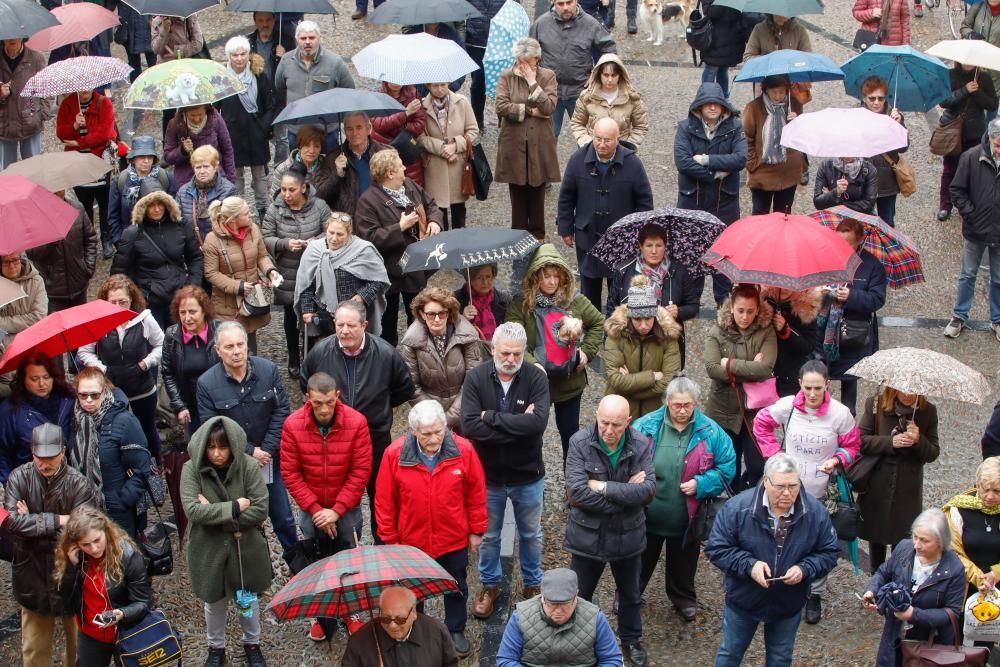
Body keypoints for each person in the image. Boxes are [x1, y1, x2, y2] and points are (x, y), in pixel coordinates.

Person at [706, 452, 840, 667]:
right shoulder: (738, 508)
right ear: (766, 481)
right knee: (730, 654)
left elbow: (830, 552)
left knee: (780, 658)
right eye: (780, 487)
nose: (787, 493)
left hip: (788, 602)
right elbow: (717, 548)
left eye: (793, 486)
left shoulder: (815, 513)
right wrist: (750, 565)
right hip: (744, 598)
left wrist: (805, 569)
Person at [376, 400, 487, 656]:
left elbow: (476, 492)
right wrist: (391, 541)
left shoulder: (464, 450)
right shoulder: (394, 454)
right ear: (414, 431)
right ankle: (418, 629)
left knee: (457, 585)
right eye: (426, 434)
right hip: (411, 541)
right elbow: (384, 501)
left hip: (453, 537)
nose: (434, 438)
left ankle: (455, 629)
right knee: (413, 590)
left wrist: (476, 530)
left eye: (439, 431)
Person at [753, 360, 861, 623]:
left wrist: (836, 460)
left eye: (818, 388)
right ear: (800, 384)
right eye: (808, 387)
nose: (812, 394)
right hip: (788, 491)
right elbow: (760, 424)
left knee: (820, 543)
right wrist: (775, 457)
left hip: (824, 493)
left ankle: (814, 594)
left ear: (827, 385)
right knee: (781, 537)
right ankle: (781, 585)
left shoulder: (840, 414)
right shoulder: (788, 405)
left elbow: (852, 445)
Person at [300, 300, 415, 541]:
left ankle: (383, 547)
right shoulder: (320, 352)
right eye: (339, 325)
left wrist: (381, 407)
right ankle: (341, 548)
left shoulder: (385, 353)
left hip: (375, 439)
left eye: (351, 325)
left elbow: (404, 389)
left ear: (364, 325)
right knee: (339, 499)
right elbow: (306, 383)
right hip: (335, 441)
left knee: (381, 498)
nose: (344, 331)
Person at [461, 322, 550, 618]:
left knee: (532, 534)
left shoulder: (536, 377)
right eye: (506, 353)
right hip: (488, 476)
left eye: (517, 353)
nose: (511, 359)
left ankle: (533, 584)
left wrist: (493, 419)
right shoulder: (475, 377)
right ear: (492, 349)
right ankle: (490, 585)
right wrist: (516, 425)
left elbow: (537, 425)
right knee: (488, 536)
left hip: (528, 475)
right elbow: (470, 426)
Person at [633, 376, 736, 622]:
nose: (681, 410)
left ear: (696, 403)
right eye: (676, 405)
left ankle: (683, 598)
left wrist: (702, 484)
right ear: (667, 402)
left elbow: (727, 467)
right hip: (647, 515)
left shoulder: (711, 431)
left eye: (687, 405)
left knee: (684, 564)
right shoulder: (645, 425)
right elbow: (627, 458)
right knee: (638, 561)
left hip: (687, 517)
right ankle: (628, 594)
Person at [280, 371, 372, 642]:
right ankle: (323, 614)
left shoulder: (357, 423)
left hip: (346, 509)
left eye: (329, 402)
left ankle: (352, 611)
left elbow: (361, 471)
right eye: (317, 403)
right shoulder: (292, 425)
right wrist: (316, 509)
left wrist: (337, 509)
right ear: (307, 399)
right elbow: (291, 473)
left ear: (337, 397)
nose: (323, 409)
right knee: (316, 563)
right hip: (313, 510)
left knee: (349, 560)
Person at [564, 394, 654, 666]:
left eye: (616, 425)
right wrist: (628, 493)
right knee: (581, 594)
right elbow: (577, 494)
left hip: (628, 536)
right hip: (587, 536)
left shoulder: (639, 442)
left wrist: (604, 488)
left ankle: (631, 638)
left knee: (630, 594)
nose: (609, 431)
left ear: (628, 422)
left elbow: (648, 491)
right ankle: (580, 639)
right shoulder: (579, 442)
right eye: (604, 423)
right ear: (596, 417)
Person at [195, 322, 296, 557]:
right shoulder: (206, 384)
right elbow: (212, 428)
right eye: (229, 347)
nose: (237, 351)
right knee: (241, 520)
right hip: (235, 466)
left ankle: (295, 561)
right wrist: (250, 452)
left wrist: (267, 450)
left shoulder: (268, 370)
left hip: (270, 461)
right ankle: (250, 568)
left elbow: (281, 412)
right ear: (218, 350)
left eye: (240, 344)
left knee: (283, 516)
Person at [4, 423, 100, 667]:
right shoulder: (18, 477)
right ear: (32, 453)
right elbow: (12, 524)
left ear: (63, 452)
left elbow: (82, 530)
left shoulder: (79, 484)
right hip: (32, 576)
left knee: (79, 649)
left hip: (71, 576)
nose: (45, 464)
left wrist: (31, 522)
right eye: (39, 458)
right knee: (35, 651)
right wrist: (59, 520)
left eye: (51, 458)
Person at [182, 416, 271, 667]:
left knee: (249, 600)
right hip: (209, 551)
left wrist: (215, 513)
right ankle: (215, 648)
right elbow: (193, 510)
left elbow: (260, 509)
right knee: (213, 603)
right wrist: (234, 508)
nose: (217, 454)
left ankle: (252, 644)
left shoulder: (249, 466)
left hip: (245, 550)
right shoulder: (191, 469)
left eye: (223, 447)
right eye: (211, 447)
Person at [506, 244, 605, 460]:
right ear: (535, 277)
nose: (552, 281)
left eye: (556, 276)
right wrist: (533, 364)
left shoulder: (574, 300)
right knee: (532, 436)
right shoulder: (521, 305)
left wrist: (587, 352)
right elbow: (512, 337)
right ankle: (533, 487)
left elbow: (597, 322)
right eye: (546, 276)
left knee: (570, 435)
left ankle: (573, 486)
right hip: (534, 383)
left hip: (569, 381)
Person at [558, 117, 653, 310]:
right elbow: (566, 197)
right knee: (588, 290)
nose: (601, 144)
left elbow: (644, 203)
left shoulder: (633, 163)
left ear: (618, 139)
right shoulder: (578, 160)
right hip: (587, 237)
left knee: (618, 289)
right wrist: (565, 228)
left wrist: (639, 235)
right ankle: (590, 330)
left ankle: (615, 331)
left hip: (620, 241)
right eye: (597, 138)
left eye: (607, 140)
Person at [354, 148, 443, 345]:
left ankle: (419, 354)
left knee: (420, 320)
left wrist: (435, 221)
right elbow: (368, 239)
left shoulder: (409, 185)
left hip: (416, 267)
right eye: (400, 165)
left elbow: (432, 205)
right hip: (389, 274)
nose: (405, 167)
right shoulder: (368, 201)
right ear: (389, 173)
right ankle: (389, 361)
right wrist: (399, 227)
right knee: (388, 326)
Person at [862, 509, 966, 667]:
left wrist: (914, 614)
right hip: (894, 636)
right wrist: (872, 591)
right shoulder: (904, 548)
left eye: (925, 540)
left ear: (940, 541)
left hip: (928, 645)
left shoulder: (955, 569)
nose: (916, 544)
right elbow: (884, 572)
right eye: (915, 537)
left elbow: (951, 612)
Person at [675, 82, 748, 304]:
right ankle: (690, 304)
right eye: (708, 104)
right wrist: (716, 174)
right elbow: (683, 162)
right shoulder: (685, 127)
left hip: (724, 204)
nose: (713, 108)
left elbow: (740, 158)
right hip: (692, 204)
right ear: (700, 106)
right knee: (692, 259)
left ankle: (724, 305)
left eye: (717, 103)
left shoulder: (735, 127)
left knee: (723, 259)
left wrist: (707, 160)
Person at [78, 275, 165, 461]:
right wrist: (103, 369)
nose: (117, 307)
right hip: (111, 389)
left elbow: (162, 345)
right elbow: (84, 352)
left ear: (132, 300)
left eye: (122, 302)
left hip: (142, 387)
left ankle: (156, 466)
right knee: (113, 430)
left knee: (147, 428)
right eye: (113, 302)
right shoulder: (98, 322)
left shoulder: (144, 319)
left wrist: (145, 364)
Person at [54, 506, 152, 666]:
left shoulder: (127, 555)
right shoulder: (76, 558)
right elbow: (65, 602)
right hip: (90, 635)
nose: (93, 549)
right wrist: (71, 568)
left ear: (106, 531)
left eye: (97, 540)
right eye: (86, 545)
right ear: (76, 544)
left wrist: (121, 613)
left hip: (125, 633)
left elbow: (143, 602)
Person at [857, 387, 940, 573]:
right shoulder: (875, 404)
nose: (909, 395)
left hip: (907, 489)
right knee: (876, 539)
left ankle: (896, 587)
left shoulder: (928, 411)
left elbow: (933, 453)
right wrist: (890, 442)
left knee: (902, 543)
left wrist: (919, 440)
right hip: (878, 484)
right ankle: (875, 584)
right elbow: (860, 440)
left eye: (914, 391)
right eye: (904, 391)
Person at [161, 285, 219, 542]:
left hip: (215, 403)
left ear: (204, 311)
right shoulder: (172, 335)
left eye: (192, 311)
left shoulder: (218, 331)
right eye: (182, 312)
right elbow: (168, 372)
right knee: (195, 453)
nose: (187, 318)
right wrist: (179, 405)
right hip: (189, 406)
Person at [704, 283, 777, 488]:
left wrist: (729, 364)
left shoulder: (766, 330)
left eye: (750, 312)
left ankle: (755, 508)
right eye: (740, 311)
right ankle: (731, 510)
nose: (745, 317)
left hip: (754, 412)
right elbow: (711, 368)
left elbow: (765, 368)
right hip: (723, 409)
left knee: (757, 465)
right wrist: (751, 368)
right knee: (729, 467)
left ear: (758, 311)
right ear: (731, 308)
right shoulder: (717, 330)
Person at [262, 164, 330, 377]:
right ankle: (293, 357)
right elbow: (265, 237)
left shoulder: (319, 206)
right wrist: (284, 244)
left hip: (314, 270)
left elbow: (331, 231)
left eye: (291, 189)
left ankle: (310, 355)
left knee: (312, 314)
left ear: (303, 188)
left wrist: (315, 242)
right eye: (283, 189)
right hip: (288, 269)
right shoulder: (275, 209)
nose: (287, 194)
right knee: (291, 316)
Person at [815, 218, 887, 413]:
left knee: (849, 381)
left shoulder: (872, 266)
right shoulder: (825, 258)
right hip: (824, 331)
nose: (842, 248)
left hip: (853, 334)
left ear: (860, 240)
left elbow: (877, 299)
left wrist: (852, 296)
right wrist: (818, 291)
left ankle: (848, 424)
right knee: (820, 378)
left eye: (848, 244)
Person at [70, 368, 151, 539]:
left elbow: (142, 466)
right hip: (84, 508)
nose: (88, 400)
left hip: (117, 512)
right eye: (83, 395)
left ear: (105, 392)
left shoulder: (124, 421)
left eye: (95, 395)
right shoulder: (75, 421)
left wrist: (123, 500)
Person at [606, 224, 702, 366]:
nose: (654, 251)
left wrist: (679, 311)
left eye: (659, 245)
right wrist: (610, 348)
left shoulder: (678, 271)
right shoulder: (624, 271)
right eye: (649, 245)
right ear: (640, 246)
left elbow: (693, 306)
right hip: (631, 341)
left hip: (666, 342)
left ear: (665, 246)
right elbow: (611, 308)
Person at [494, 38, 561, 240]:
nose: (523, 66)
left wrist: (533, 83)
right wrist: (531, 111)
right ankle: (518, 236)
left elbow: (549, 107)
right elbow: (501, 106)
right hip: (513, 142)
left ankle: (538, 234)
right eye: (520, 61)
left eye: (529, 62)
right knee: (517, 188)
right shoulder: (506, 76)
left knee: (538, 187)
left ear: (537, 60)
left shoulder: (547, 76)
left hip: (539, 141)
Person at [112, 190, 203, 330]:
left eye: (160, 204)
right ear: (143, 207)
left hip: (179, 296)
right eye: (151, 205)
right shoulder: (133, 233)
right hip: (150, 300)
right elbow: (120, 271)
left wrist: (192, 285)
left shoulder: (182, 226)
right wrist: (138, 296)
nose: (156, 209)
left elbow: (195, 257)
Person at [496, 567, 623, 667]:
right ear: (542, 597)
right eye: (552, 604)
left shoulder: (595, 618)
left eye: (565, 604)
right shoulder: (520, 617)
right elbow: (505, 660)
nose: (558, 611)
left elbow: (612, 659)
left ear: (576, 596)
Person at [399, 288, 486, 433]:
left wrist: (449, 419)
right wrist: (435, 417)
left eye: (442, 313)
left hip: (465, 411)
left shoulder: (468, 336)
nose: (437, 319)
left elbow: (473, 381)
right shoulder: (411, 343)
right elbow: (412, 387)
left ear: (449, 313)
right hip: (428, 418)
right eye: (431, 314)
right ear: (422, 314)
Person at [945, 118, 1000, 342]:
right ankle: (959, 317)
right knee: (968, 275)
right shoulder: (971, 157)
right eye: (998, 145)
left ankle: (997, 319)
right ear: (990, 138)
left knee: (998, 278)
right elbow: (956, 190)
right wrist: (971, 214)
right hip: (975, 229)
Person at [202, 197, 282, 352]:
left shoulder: (254, 230)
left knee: (250, 345)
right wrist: (237, 286)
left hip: (251, 301)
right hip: (226, 305)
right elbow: (211, 273)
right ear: (233, 219)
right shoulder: (212, 240)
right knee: (230, 345)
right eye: (246, 213)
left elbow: (262, 256)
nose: (250, 215)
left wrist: (270, 271)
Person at [294, 211, 390, 338]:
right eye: (331, 233)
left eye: (340, 234)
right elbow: (306, 283)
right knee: (324, 350)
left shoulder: (363, 249)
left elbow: (378, 279)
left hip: (354, 312)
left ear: (349, 233)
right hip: (323, 312)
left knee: (354, 347)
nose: (334, 238)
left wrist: (362, 295)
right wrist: (307, 309)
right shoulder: (314, 250)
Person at [530, 0, 616, 138]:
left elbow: (609, 49)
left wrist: (598, 73)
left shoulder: (591, 23)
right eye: (560, 4)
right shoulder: (541, 24)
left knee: (586, 138)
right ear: (553, 2)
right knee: (547, 138)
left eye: (569, 2)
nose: (565, 7)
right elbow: (530, 53)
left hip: (581, 91)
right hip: (550, 92)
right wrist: (534, 73)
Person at [602, 275, 682, 421]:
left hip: (655, 416)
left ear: (655, 316)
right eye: (638, 319)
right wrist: (653, 376)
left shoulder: (668, 337)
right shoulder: (616, 334)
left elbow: (668, 382)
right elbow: (615, 380)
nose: (644, 325)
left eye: (648, 319)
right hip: (620, 415)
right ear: (630, 317)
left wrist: (628, 387)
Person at [274, 21, 355, 154]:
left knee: (329, 171)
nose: (307, 42)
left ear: (319, 38)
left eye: (311, 38)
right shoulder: (286, 61)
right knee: (298, 172)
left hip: (327, 133)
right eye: (303, 38)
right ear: (297, 40)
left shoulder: (335, 63)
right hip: (296, 132)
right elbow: (279, 87)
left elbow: (349, 91)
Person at [55, 88, 117, 256]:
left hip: (99, 161)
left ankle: (106, 239)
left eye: (88, 87)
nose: (85, 90)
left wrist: (80, 143)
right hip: (77, 164)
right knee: (84, 204)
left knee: (105, 203)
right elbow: (61, 134)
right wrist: (74, 125)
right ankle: (89, 241)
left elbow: (105, 133)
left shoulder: (104, 103)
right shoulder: (68, 104)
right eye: (81, 87)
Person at [219, 36, 276, 217]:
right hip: (233, 134)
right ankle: (238, 209)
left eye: (243, 54)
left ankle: (262, 208)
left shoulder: (258, 75)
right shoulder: (221, 78)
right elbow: (215, 108)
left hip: (255, 133)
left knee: (260, 175)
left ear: (248, 54)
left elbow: (270, 105)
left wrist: (263, 127)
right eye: (235, 55)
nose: (239, 58)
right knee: (235, 175)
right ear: (229, 56)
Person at [0, 354, 75, 485]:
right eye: (34, 379)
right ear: (23, 380)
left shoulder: (68, 399)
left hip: (69, 479)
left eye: (46, 377)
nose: (42, 383)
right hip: (29, 483)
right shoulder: (10, 410)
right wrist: (10, 484)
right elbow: (3, 453)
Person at [341, 586, 458, 667]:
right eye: (386, 618)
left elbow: (450, 663)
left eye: (400, 619)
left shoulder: (436, 631)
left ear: (413, 613)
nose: (392, 626)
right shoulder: (359, 642)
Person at [938, 63, 997, 222]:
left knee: (974, 170)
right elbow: (943, 101)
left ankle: (970, 205)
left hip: (975, 131)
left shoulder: (983, 77)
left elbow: (992, 105)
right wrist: (965, 90)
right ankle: (945, 205)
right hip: (952, 130)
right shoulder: (950, 75)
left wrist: (976, 91)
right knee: (950, 169)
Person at [419, 82, 479, 230]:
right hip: (435, 167)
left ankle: (461, 244)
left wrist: (456, 145)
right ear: (428, 86)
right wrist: (441, 149)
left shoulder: (462, 102)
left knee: (459, 210)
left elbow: (473, 130)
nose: (440, 89)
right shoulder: (421, 107)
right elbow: (420, 137)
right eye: (435, 86)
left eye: (443, 85)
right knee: (438, 212)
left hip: (457, 165)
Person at [744, 75, 805, 215]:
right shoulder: (753, 108)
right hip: (762, 171)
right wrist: (752, 163)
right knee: (760, 216)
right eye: (774, 92)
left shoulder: (794, 104)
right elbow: (746, 139)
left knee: (783, 216)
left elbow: (802, 138)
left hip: (788, 171)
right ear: (765, 90)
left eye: (782, 92)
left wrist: (797, 123)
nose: (778, 96)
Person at [317, 113, 391, 217]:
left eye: (359, 127)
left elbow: (400, 187)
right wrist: (337, 174)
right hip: (348, 222)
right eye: (349, 129)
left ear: (368, 128)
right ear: (344, 131)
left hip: (380, 217)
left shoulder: (386, 153)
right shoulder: (332, 158)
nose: (354, 133)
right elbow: (321, 197)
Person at [943, 457, 1000, 594]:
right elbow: (951, 551)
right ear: (978, 484)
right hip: (964, 584)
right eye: (985, 489)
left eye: (997, 491)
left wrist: (996, 574)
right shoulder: (958, 509)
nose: (990, 496)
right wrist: (980, 578)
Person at [108, 136, 176, 248]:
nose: (146, 161)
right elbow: (113, 216)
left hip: (160, 242)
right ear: (133, 158)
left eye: (150, 157)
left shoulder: (165, 178)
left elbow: (174, 210)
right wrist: (120, 243)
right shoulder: (120, 181)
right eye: (141, 157)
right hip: (131, 242)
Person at [570, 54, 648, 148]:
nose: (610, 79)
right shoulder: (587, 97)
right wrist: (587, 144)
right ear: (599, 75)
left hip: (622, 153)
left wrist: (629, 146)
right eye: (606, 75)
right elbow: (577, 123)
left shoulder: (632, 98)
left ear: (620, 75)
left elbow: (641, 125)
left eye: (613, 75)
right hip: (592, 151)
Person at [857, 77, 907, 226]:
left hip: (887, 181)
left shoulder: (894, 116)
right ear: (864, 99)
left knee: (887, 222)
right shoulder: (856, 117)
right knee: (862, 222)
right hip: (863, 179)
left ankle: (887, 249)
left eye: (880, 98)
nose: (876, 102)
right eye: (872, 98)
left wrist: (897, 126)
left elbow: (904, 147)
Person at [761, 286, 822, 397]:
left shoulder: (805, 306)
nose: (784, 288)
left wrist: (786, 330)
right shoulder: (763, 301)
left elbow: (808, 345)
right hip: (764, 373)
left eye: (787, 285)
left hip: (790, 375)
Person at [0, 38, 49, 169]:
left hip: (30, 123)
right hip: (3, 125)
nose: (12, 38)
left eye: (16, 34)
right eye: (8, 35)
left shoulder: (36, 58)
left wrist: (41, 114)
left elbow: (48, 89)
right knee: (6, 175)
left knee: (35, 171)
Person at [176, 144, 239, 246]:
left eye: (206, 166)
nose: (202, 171)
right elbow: (178, 225)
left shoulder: (229, 190)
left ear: (215, 167)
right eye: (198, 167)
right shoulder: (183, 192)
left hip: (222, 247)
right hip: (194, 250)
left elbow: (234, 224)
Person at [466, 0, 515, 128]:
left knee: (502, 84)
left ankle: (503, 120)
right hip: (476, 43)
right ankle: (477, 121)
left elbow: (514, 9)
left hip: (500, 43)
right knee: (477, 83)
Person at [164, 105, 237, 190]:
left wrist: (230, 180)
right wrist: (183, 151)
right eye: (192, 115)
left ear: (206, 110)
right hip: (187, 183)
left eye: (200, 114)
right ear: (184, 112)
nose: (197, 119)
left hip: (215, 179)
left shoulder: (215, 119)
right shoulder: (174, 124)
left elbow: (227, 150)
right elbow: (167, 157)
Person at [372, 81, 427, 186]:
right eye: (391, 79)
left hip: (407, 148)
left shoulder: (413, 94)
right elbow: (378, 124)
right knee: (389, 188)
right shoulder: (378, 96)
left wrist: (403, 127)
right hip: (385, 149)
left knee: (413, 191)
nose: (395, 83)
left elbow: (420, 123)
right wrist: (405, 114)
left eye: (398, 79)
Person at [699, 0, 750, 99]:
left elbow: (740, 12)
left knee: (723, 69)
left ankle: (724, 99)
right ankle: (705, 98)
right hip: (714, 39)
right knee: (711, 68)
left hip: (731, 38)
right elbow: (710, 13)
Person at [270, 126, 335, 204]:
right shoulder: (284, 169)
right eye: (307, 145)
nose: (311, 151)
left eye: (316, 146)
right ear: (299, 146)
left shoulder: (327, 166)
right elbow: (275, 200)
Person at [454, 264, 512, 343]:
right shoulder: (455, 300)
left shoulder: (504, 301)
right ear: (470, 279)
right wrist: (462, 319)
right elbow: (448, 333)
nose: (484, 282)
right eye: (479, 277)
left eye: (488, 277)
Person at [961, 0, 1000, 108]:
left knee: (990, 110)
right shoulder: (978, 6)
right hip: (973, 71)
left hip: (995, 74)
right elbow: (964, 26)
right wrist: (971, 34)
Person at [813, 156, 879, 214]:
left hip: (859, 219)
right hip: (832, 217)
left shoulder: (869, 169)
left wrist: (838, 205)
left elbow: (868, 205)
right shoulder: (826, 166)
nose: (848, 155)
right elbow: (818, 203)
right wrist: (836, 192)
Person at [743, 14, 811, 60]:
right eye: (778, 13)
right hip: (767, 78)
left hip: (793, 78)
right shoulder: (759, 29)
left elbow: (808, 57)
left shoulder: (799, 30)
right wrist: (769, 60)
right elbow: (748, 57)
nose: (782, 16)